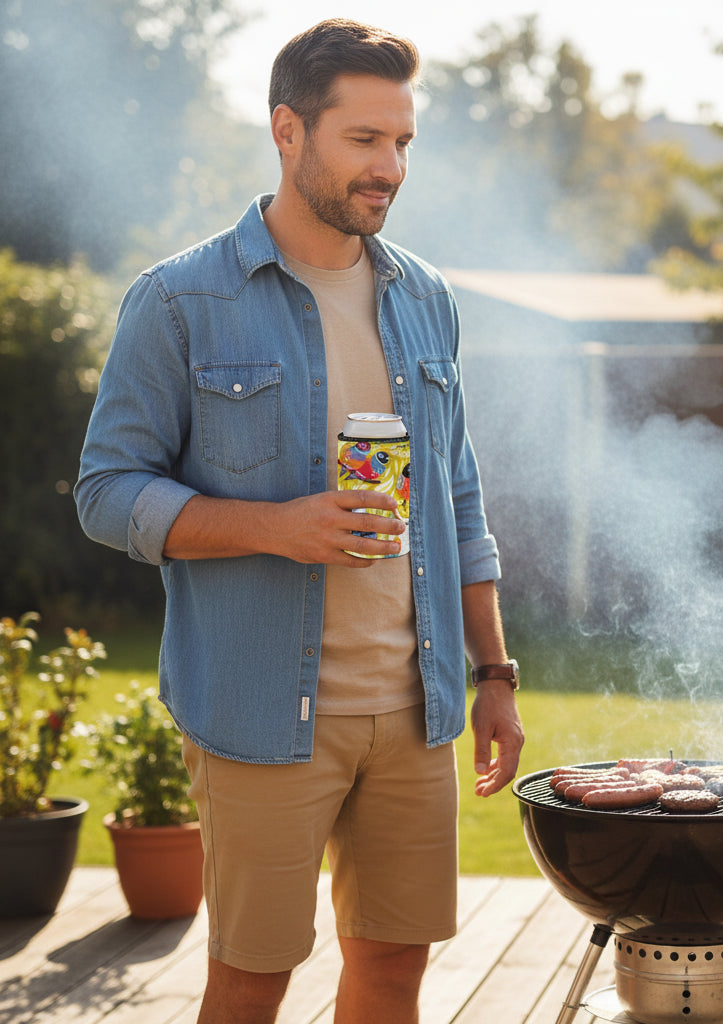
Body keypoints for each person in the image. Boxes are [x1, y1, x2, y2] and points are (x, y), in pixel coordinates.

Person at [75, 18, 524, 1024]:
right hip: (259, 711)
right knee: (251, 974)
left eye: (403, 142)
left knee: (396, 968)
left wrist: (492, 675)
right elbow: (107, 489)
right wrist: (273, 527)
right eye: (365, 140)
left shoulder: (426, 298)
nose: (390, 167)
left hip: (414, 709)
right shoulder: (181, 300)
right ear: (288, 130)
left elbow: (458, 495)